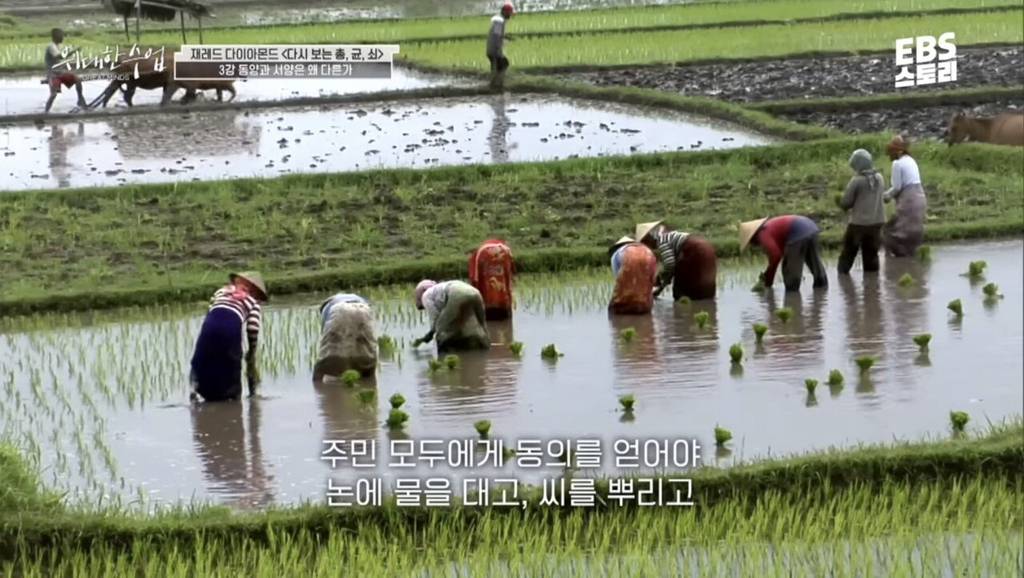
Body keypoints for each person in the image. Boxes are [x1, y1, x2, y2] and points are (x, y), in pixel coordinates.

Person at [190, 271, 267, 402]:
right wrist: (251, 353)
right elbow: (252, 329)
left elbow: (211, 311)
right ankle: (233, 398)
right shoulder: (253, 302)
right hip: (230, 329)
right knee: (231, 365)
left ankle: (194, 390)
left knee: (201, 358)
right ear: (255, 292)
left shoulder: (221, 291)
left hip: (209, 326)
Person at [740, 215, 828, 292]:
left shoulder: (762, 235)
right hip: (810, 227)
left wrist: (767, 278)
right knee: (815, 265)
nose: (754, 245)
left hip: (797, 233)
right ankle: (821, 292)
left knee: (790, 270)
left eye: (751, 242)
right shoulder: (769, 227)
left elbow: (776, 256)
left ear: (752, 237)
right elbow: (780, 251)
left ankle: (792, 301)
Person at [635, 221, 718, 301]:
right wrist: (660, 288)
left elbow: (670, 264)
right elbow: (671, 269)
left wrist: (659, 278)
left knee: (682, 290)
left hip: (694, 252)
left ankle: (683, 313)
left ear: (649, 239)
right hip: (708, 248)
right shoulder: (668, 235)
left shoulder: (662, 240)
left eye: (645, 243)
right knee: (705, 285)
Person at [837, 148, 886, 275]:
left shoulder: (857, 180)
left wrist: (839, 202)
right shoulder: (879, 178)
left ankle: (843, 283)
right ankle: (872, 290)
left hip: (858, 224)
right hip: (877, 223)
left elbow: (846, 202)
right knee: (872, 258)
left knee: (848, 254)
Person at [313, 293, 378, 382]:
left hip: (339, 309)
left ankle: (317, 386)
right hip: (364, 309)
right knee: (367, 352)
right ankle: (370, 382)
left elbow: (326, 336)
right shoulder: (357, 298)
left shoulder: (327, 308)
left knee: (326, 358)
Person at [412, 280, 490, 352]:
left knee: (441, 331)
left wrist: (430, 334)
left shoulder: (425, 296)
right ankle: (486, 349)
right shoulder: (440, 289)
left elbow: (436, 318)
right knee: (482, 325)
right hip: (475, 293)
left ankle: (442, 357)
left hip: (457, 294)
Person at [881, 134, 927, 257]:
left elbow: (897, 187)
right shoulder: (911, 160)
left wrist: (885, 196)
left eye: (891, 152)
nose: (889, 155)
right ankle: (912, 261)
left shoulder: (898, 163)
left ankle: (893, 265)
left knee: (891, 231)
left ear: (899, 151)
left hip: (909, 201)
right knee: (912, 233)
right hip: (920, 198)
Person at [608, 235, 658, 314]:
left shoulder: (618, 252)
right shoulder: (648, 251)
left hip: (622, 304)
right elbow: (653, 280)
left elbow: (618, 279)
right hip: (644, 305)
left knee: (614, 310)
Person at [468, 239, 515, 320]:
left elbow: (474, 278)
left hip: (487, 304)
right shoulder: (506, 250)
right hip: (504, 301)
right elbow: (510, 274)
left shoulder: (479, 254)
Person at [44, 28, 87, 113]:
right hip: (53, 74)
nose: (62, 38)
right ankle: (45, 112)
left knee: (78, 80)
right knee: (54, 94)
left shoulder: (57, 46)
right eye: (61, 36)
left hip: (60, 73)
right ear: (56, 37)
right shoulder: (51, 46)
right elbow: (59, 57)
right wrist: (73, 52)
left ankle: (80, 100)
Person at [487, 3, 514, 90]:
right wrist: (498, 51)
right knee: (504, 64)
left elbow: (497, 34)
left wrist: (506, 37)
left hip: (492, 49)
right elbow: (496, 36)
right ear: (505, 12)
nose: (510, 15)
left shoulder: (499, 21)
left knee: (497, 67)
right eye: (509, 13)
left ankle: (494, 83)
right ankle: (497, 83)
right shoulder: (499, 22)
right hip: (494, 50)